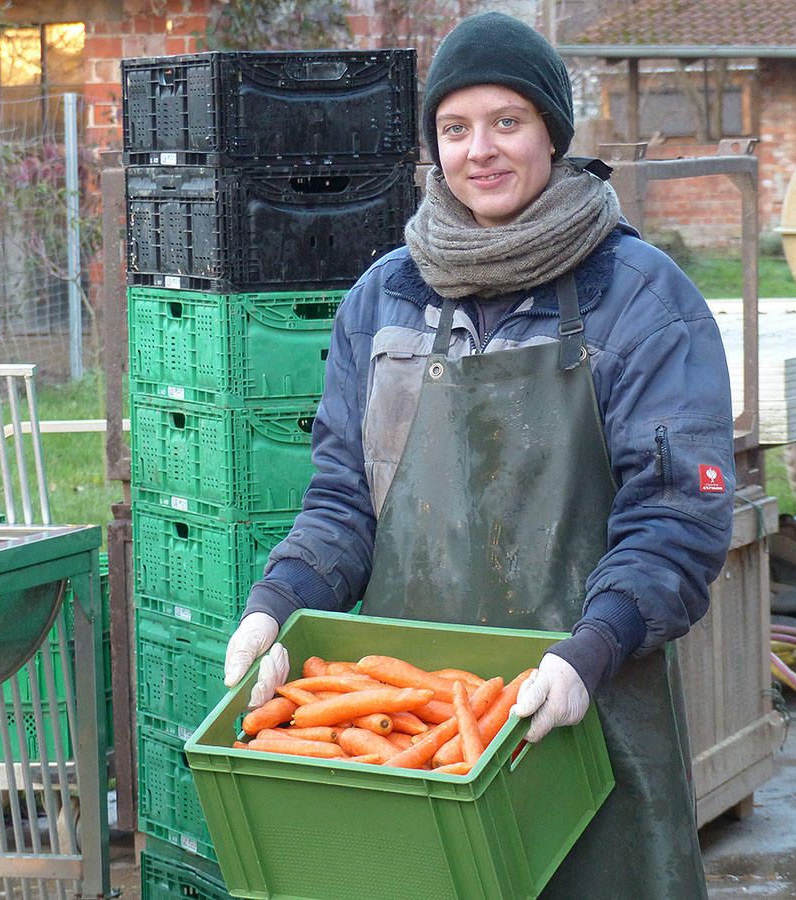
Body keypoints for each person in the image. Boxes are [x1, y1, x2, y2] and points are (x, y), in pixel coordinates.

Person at [223, 11, 735, 897]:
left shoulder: (640, 297)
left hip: (586, 713)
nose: (480, 152)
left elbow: (677, 519)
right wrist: (276, 607)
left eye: (508, 122)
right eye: (455, 129)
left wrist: (590, 651)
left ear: (552, 133)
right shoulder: (385, 298)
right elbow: (346, 500)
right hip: (420, 727)